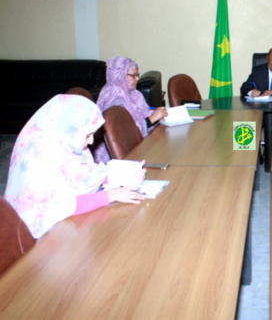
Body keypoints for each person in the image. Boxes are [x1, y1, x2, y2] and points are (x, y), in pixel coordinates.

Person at [4, 94, 146, 239]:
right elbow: (60, 206)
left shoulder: (65, 138)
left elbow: (84, 174)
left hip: (66, 226)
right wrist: (110, 196)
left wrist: (122, 174)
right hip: (38, 237)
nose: (91, 142)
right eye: (87, 136)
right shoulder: (40, 153)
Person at [93, 56, 168, 163]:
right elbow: (125, 135)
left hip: (137, 147)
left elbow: (142, 112)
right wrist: (151, 120)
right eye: (133, 76)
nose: (137, 79)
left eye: (137, 75)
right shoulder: (113, 98)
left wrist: (158, 114)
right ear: (120, 75)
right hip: (115, 158)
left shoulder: (133, 92)